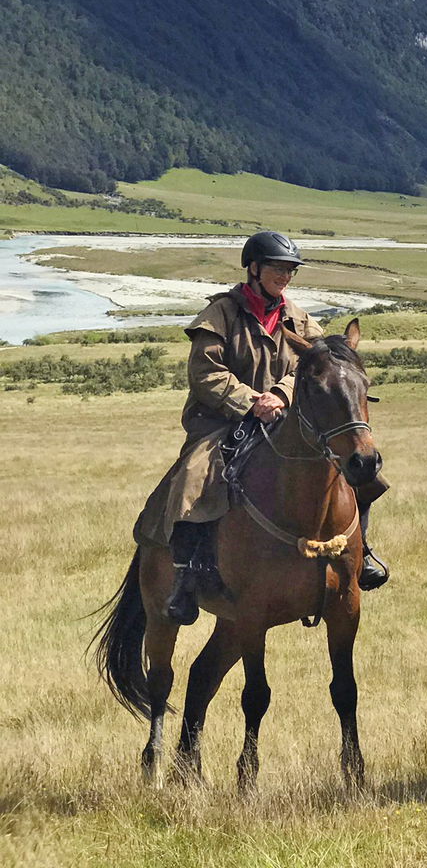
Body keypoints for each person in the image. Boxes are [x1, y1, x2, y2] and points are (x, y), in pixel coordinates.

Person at [134, 231, 391, 625]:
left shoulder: (297, 317)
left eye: (290, 270)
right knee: (193, 479)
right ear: (253, 268)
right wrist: (251, 401)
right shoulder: (220, 314)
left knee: (360, 470)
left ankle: (361, 551)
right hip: (222, 422)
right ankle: (184, 577)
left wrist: (282, 394)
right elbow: (206, 374)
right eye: (277, 268)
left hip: (286, 419)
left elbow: (322, 364)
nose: (285, 276)